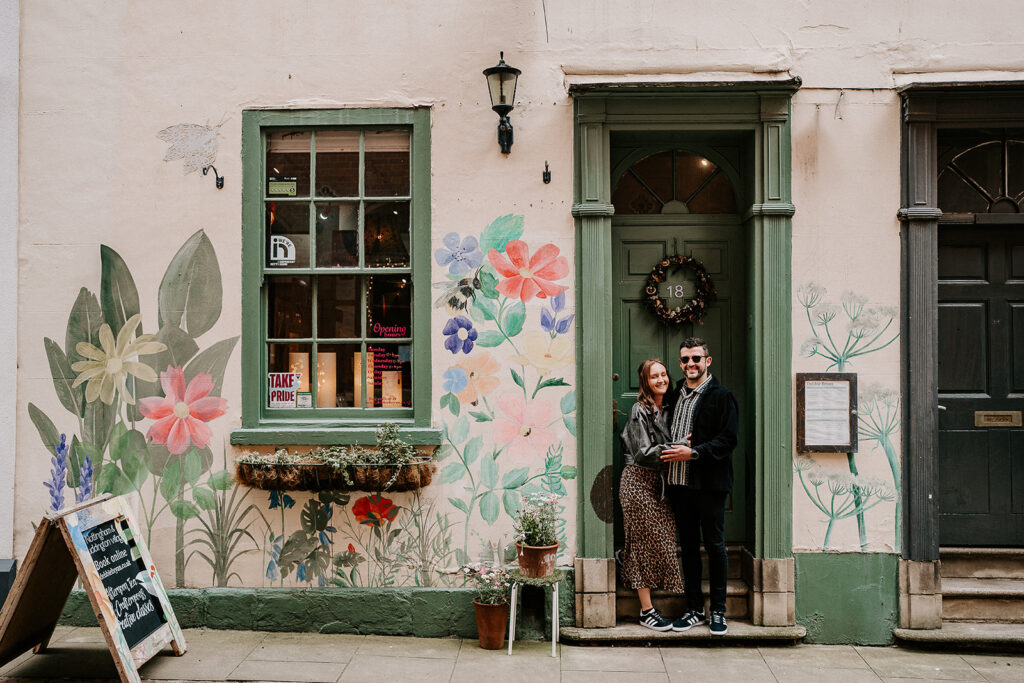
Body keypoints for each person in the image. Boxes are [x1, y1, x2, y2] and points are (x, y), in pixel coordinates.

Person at [660, 337, 739, 635]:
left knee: (715, 546)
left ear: (708, 361)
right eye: (685, 360)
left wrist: (693, 453)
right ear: (680, 363)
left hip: (709, 485)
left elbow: (728, 440)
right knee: (689, 548)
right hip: (679, 484)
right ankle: (694, 608)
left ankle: (718, 610)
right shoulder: (673, 393)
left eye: (696, 358)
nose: (690, 364)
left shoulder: (722, 396)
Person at [618, 358, 684, 631]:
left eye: (664, 375)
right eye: (654, 376)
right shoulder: (638, 410)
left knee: (665, 540)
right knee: (641, 543)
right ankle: (646, 611)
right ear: (645, 381)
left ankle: (630, 570)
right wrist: (677, 448)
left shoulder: (670, 408)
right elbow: (644, 453)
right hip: (636, 482)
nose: (661, 380)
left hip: (659, 485)